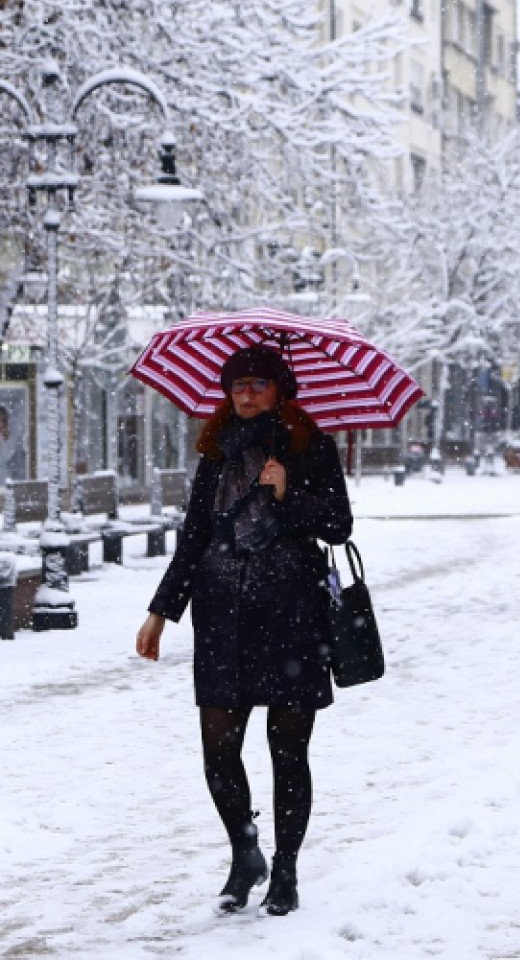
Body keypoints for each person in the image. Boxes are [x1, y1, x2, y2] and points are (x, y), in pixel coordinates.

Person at [135, 344, 354, 918]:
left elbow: (338, 525)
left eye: (258, 384)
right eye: (238, 386)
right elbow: (193, 538)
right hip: (223, 617)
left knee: (288, 751)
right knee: (218, 751)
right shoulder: (215, 452)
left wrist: (290, 493)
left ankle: (286, 872)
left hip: (291, 618)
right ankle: (246, 851)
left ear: (280, 389)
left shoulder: (310, 446)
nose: (247, 394)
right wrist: (161, 610)